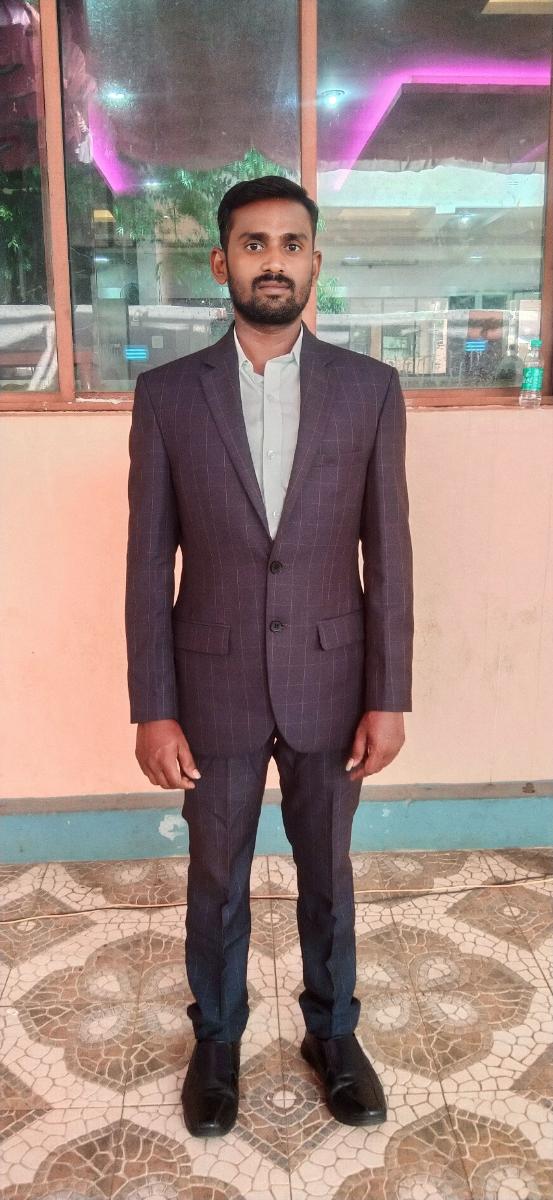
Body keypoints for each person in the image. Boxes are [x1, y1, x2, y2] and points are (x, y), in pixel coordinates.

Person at [125, 176, 414, 1138]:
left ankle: (333, 1034)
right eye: (254, 244)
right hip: (208, 684)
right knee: (216, 877)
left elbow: (389, 552)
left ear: (315, 263)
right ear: (222, 262)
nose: (273, 261)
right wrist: (153, 705)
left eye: (291, 244)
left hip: (333, 680)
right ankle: (215, 1042)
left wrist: (388, 695)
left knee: (328, 872)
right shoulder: (168, 396)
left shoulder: (369, 390)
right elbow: (147, 560)